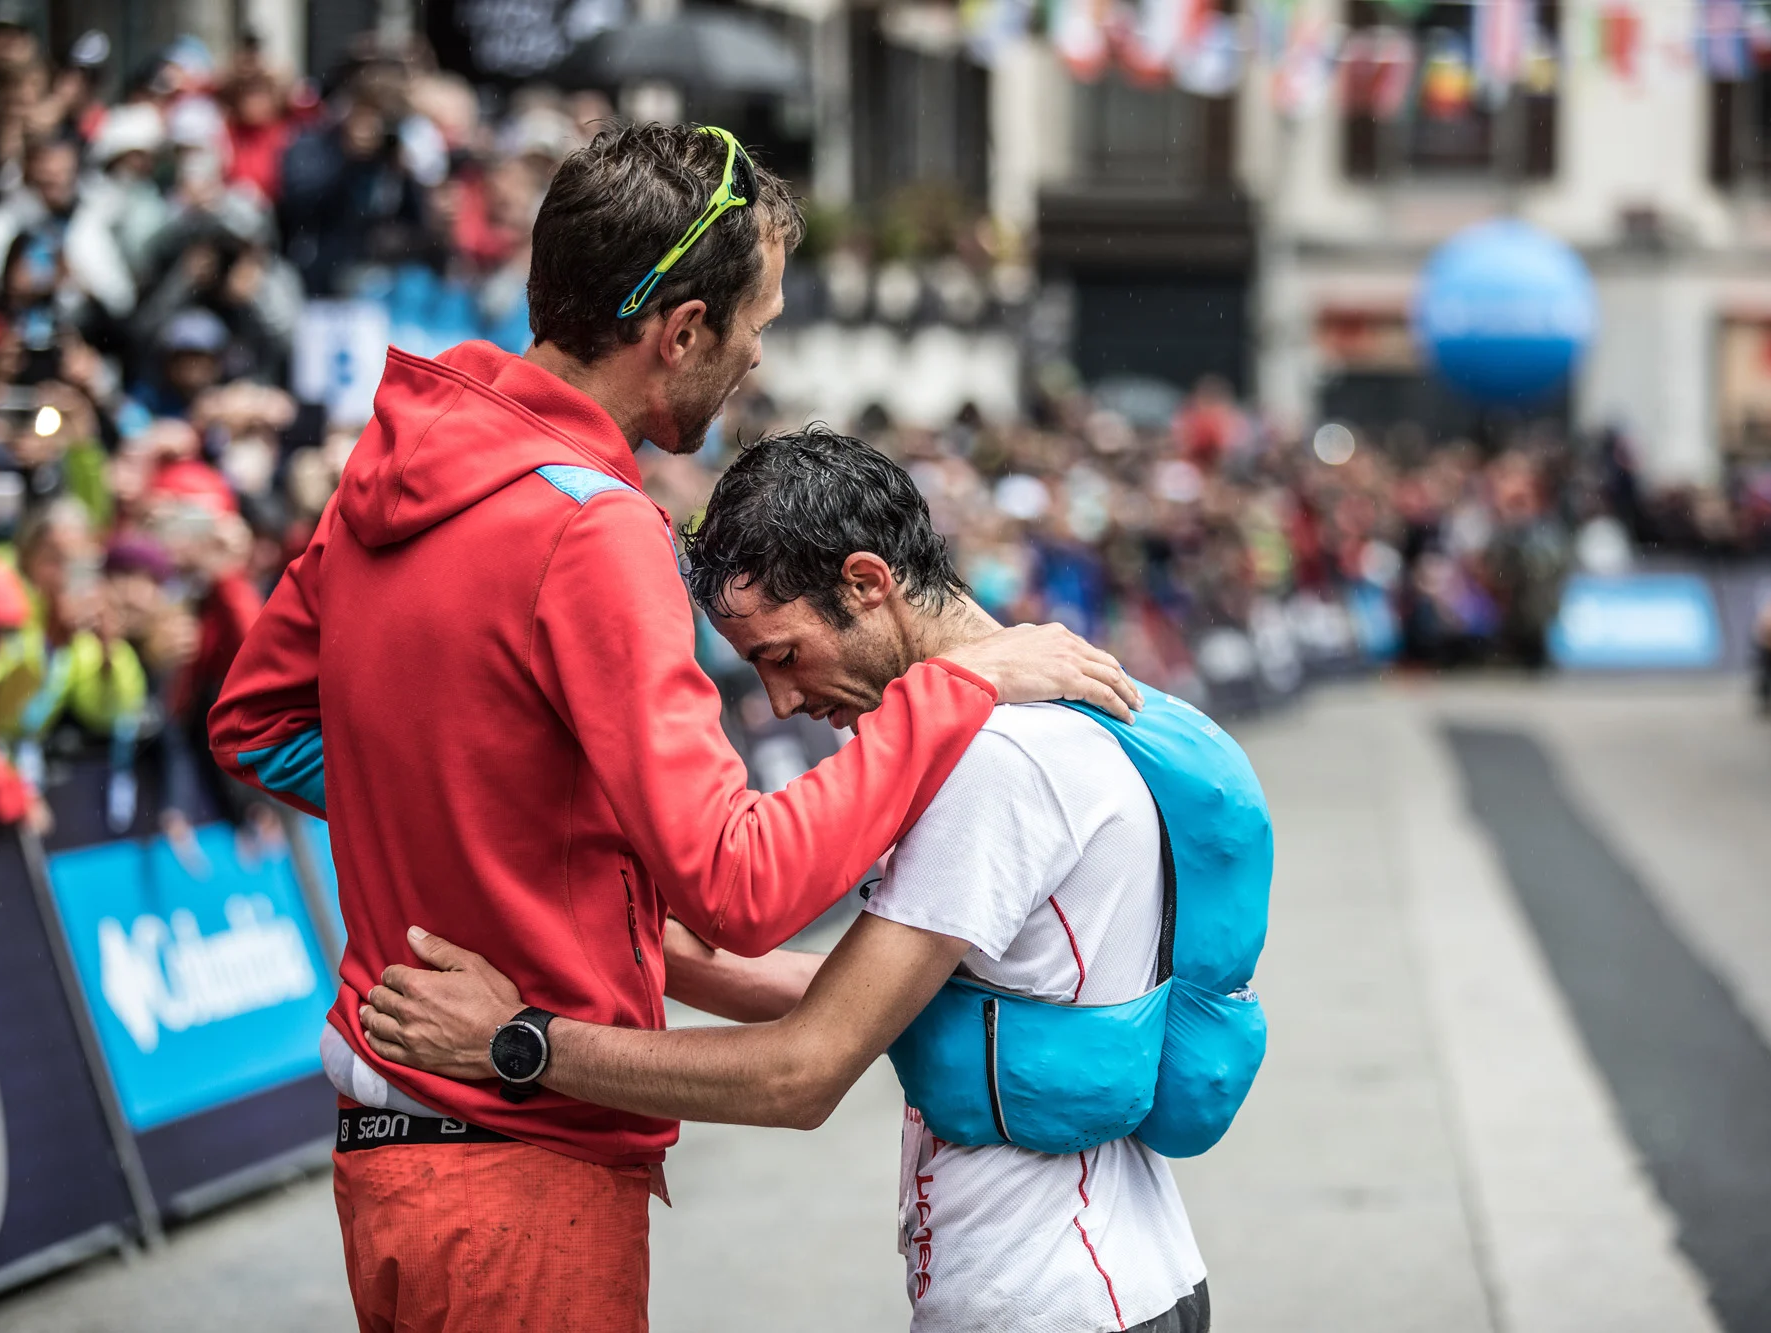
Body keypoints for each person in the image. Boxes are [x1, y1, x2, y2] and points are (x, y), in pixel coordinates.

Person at [208, 123, 1137, 1333]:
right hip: (516, 1170)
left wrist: (488, 815)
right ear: (681, 329)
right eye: (753, 321)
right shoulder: (596, 527)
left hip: (393, 1160)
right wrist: (951, 691)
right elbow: (740, 882)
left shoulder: (404, 463)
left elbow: (256, 722)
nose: (756, 354)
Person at [360, 428, 1212, 1333]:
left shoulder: (996, 764)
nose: (779, 702)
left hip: (1056, 1300)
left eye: (782, 654)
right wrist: (659, 956)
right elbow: (898, 994)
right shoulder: (1016, 732)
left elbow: (802, 1071)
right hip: (1109, 1274)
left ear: (868, 582)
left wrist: (516, 1041)